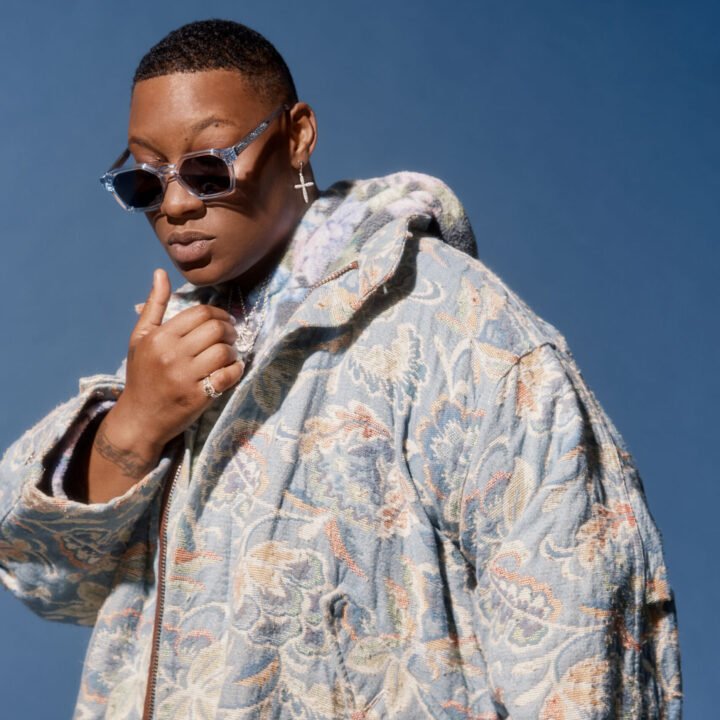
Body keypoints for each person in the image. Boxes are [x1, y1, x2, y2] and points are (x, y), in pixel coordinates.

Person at [0, 18, 681, 720]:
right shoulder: (172, 359)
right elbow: (42, 579)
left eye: (208, 168)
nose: (175, 204)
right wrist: (132, 428)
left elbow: (579, 616)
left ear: (297, 136)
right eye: (145, 180)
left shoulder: (451, 325)